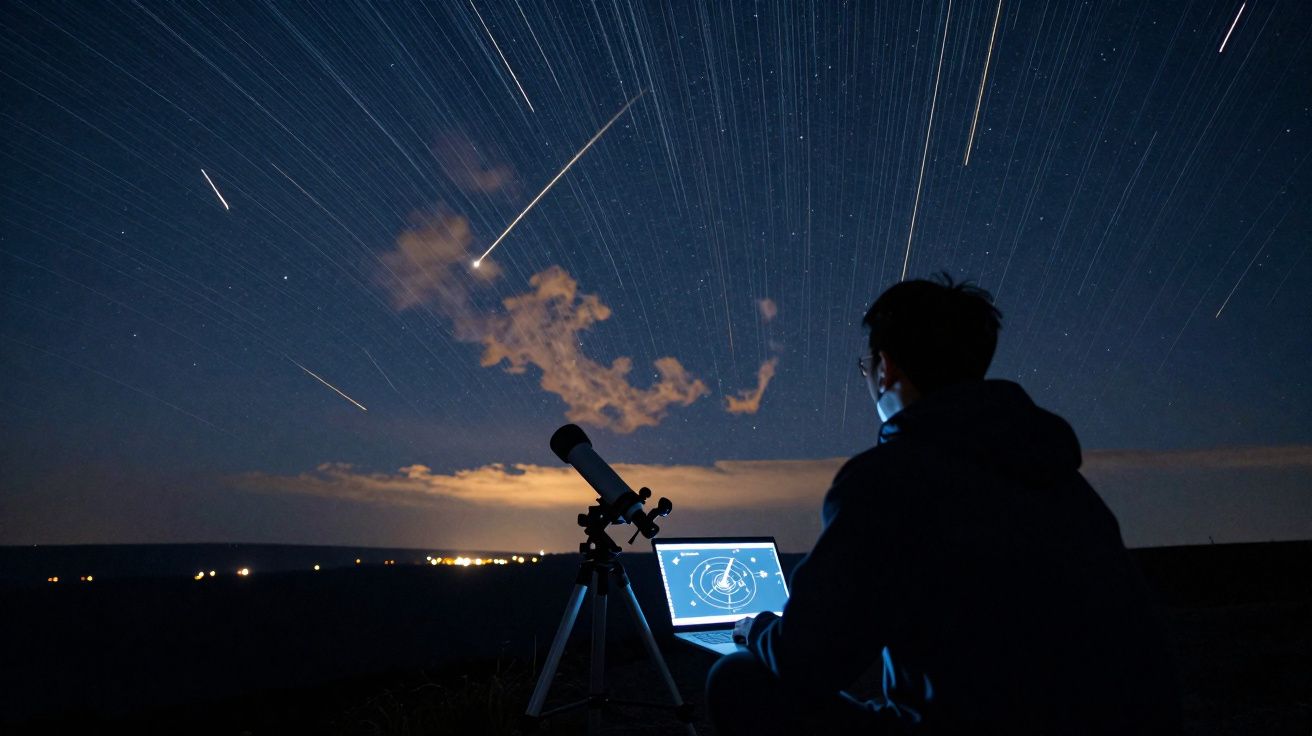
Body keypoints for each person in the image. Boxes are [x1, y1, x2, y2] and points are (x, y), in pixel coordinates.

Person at [705, 274, 1180, 735]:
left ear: (886, 367)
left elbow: (807, 659)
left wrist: (756, 628)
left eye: (867, 367)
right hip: (1122, 720)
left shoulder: (888, 480)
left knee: (738, 679)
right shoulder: (1056, 473)